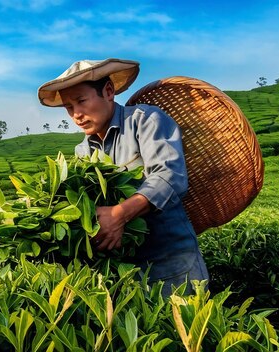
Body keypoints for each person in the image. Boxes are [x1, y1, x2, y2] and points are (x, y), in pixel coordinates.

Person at [37, 58, 209, 297]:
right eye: (69, 107)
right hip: (125, 269)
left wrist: (119, 214)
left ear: (108, 92)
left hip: (172, 262)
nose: (76, 114)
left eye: (81, 101)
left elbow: (169, 175)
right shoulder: (83, 152)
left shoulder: (145, 120)